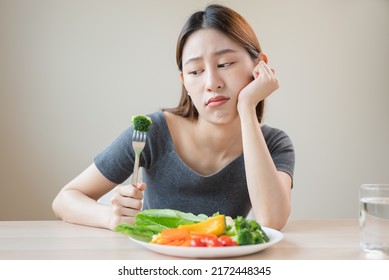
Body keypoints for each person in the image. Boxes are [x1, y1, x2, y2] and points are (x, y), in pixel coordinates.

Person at [52, 4, 295, 231]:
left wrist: (247, 107)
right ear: (184, 82)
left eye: (225, 63)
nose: (212, 83)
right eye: (195, 71)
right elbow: (65, 199)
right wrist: (110, 217)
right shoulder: (152, 131)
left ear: (259, 67)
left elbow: (271, 220)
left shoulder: (274, 144)